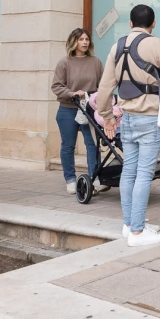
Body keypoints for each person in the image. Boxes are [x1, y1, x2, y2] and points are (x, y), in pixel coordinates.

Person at [97, 5, 160, 247]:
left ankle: (130, 224)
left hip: (128, 117)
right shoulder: (157, 45)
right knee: (144, 173)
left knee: (129, 171)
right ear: (153, 23)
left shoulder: (117, 46)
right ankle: (137, 232)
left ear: (130, 24)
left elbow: (105, 86)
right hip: (150, 118)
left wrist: (107, 116)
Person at [51, 28, 104, 194]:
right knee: (68, 146)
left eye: (87, 39)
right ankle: (70, 179)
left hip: (89, 109)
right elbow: (56, 86)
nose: (85, 42)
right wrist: (72, 93)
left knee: (92, 145)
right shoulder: (64, 62)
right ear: (74, 42)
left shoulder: (95, 62)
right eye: (81, 39)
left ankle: (93, 179)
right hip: (68, 109)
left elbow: (103, 84)